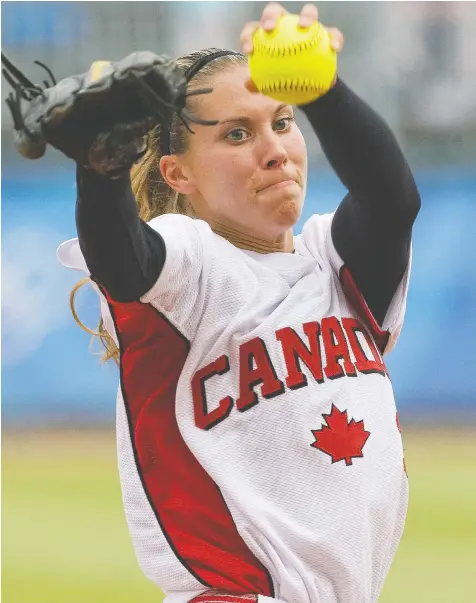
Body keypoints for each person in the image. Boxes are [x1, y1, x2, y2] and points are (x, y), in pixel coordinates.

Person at [57, 3, 421, 603]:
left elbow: (391, 198)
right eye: (236, 133)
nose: (275, 149)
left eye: (282, 121)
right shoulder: (191, 267)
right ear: (178, 174)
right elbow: (125, 265)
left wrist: (323, 90)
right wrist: (102, 169)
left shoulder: (334, 267)